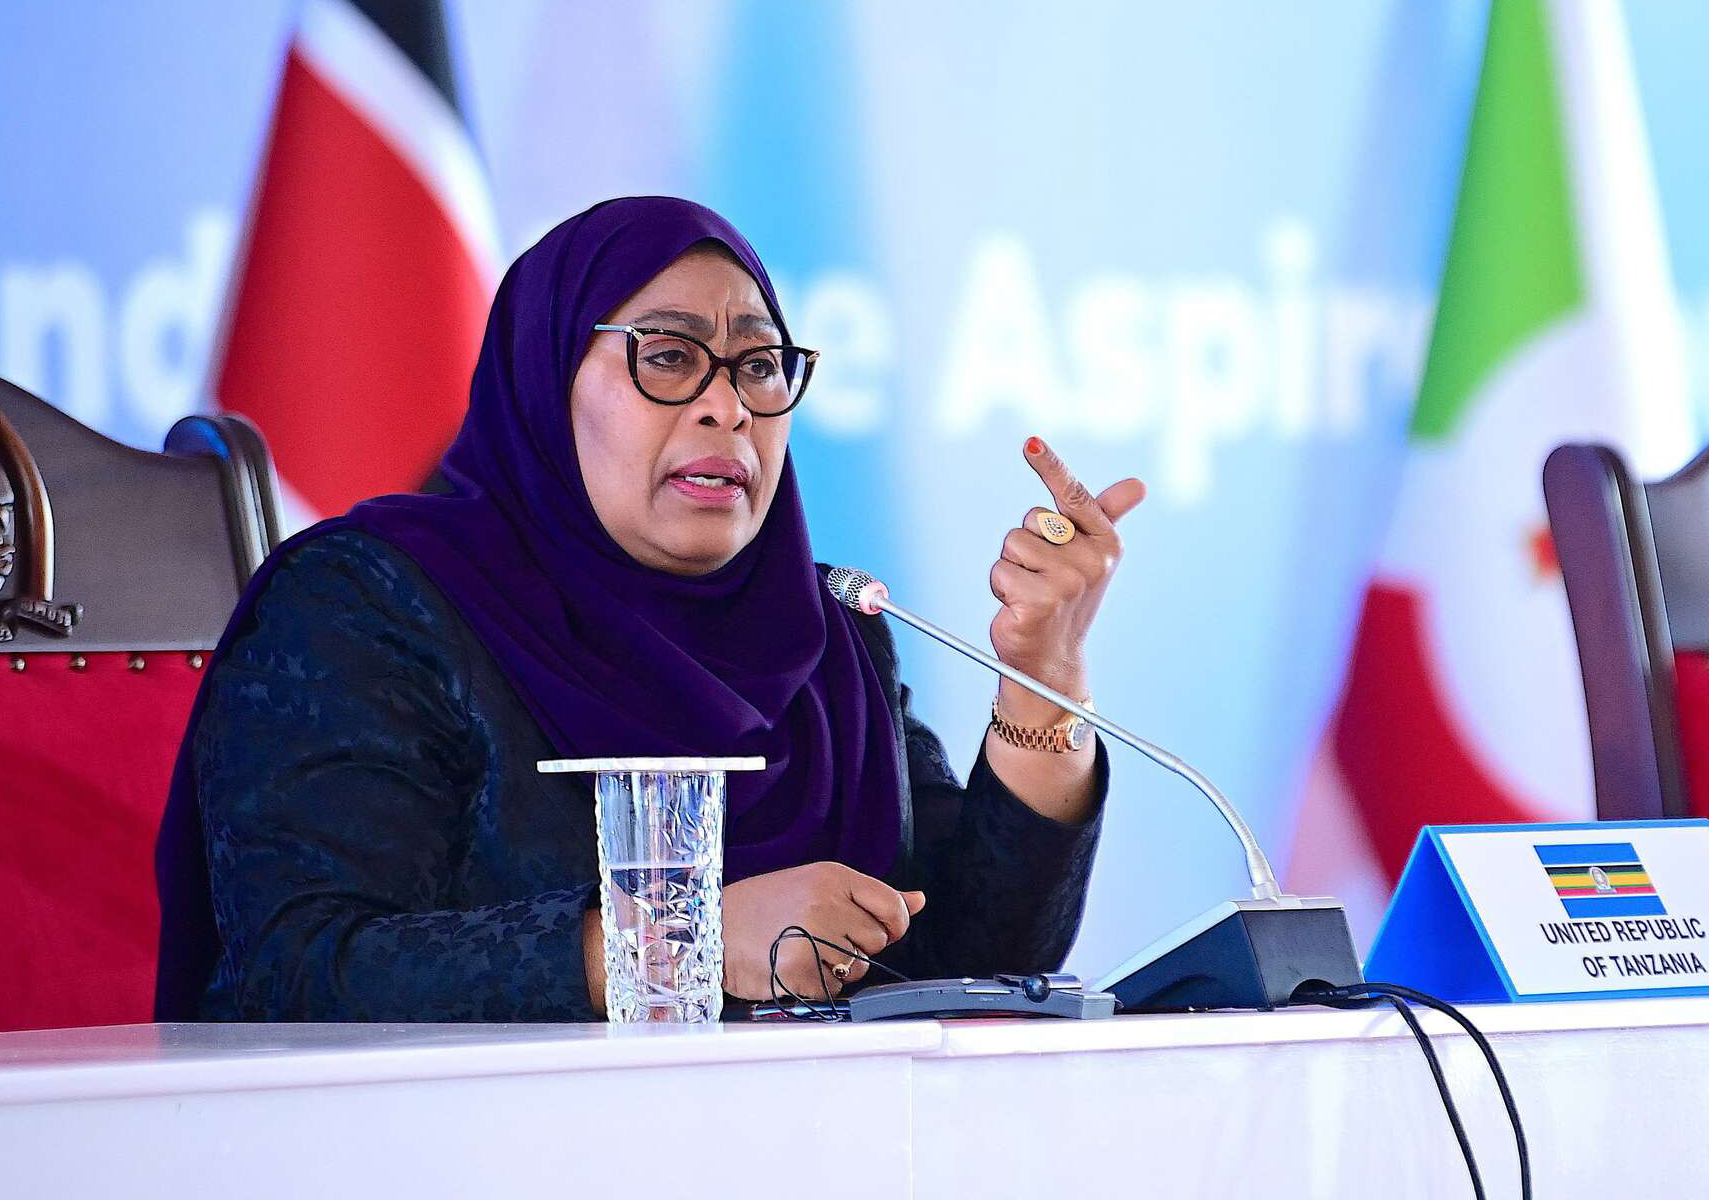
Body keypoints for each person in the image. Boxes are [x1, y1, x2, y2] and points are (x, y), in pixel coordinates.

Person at [153, 196, 1147, 1021]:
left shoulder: (827, 637)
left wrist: (1043, 678)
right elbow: (297, 969)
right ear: (545, 379)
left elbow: (971, 961)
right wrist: (677, 946)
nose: (727, 406)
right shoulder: (368, 606)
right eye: (668, 356)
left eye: (759, 365)